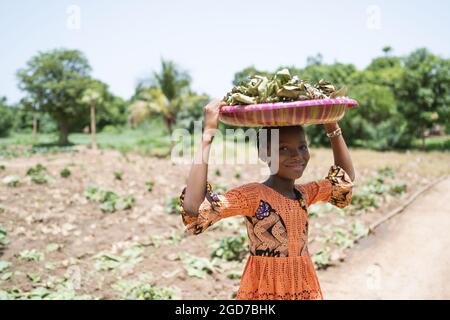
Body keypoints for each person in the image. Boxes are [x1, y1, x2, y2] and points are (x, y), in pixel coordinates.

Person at [179, 99, 355, 300]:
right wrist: (208, 134)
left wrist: (331, 124)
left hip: (303, 287)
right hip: (263, 291)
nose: (297, 156)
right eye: (283, 149)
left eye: (302, 147)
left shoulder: (304, 194)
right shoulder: (254, 196)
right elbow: (194, 208)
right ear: (264, 154)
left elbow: (344, 179)